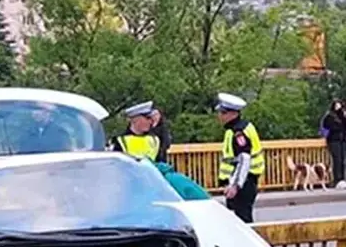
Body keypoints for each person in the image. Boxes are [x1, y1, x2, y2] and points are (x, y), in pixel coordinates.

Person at [111, 101, 210, 200]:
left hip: (155, 186)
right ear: (135, 119)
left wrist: (160, 122)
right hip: (133, 189)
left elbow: (162, 158)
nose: (151, 122)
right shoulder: (120, 141)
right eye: (147, 118)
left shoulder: (155, 140)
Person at [216, 92, 265, 223]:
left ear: (233, 113)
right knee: (238, 219)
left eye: (223, 113)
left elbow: (244, 160)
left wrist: (235, 186)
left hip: (244, 182)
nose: (220, 116)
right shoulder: (241, 127)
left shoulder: (238, 132)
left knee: (243, 220)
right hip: (243, 180)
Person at [321, 100, 346, 188]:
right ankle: (337, 179)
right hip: (333, 140)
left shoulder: (342, 116)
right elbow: (327, 127)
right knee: (337, 159)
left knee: (342, 160)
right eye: (336, 105)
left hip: (341, 140)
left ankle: (343, 178)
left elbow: (345, 125)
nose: (338, 107)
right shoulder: (329, 116)